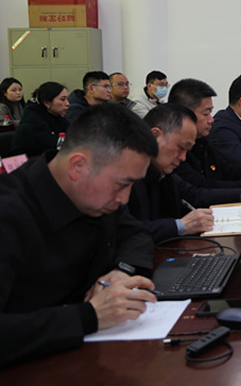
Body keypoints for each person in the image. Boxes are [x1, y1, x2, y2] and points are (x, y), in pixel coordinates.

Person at [0, 104, 159, 365]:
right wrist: (90, 316)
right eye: (122, 184)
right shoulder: (9, 214)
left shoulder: (99, 197)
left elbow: (136, 234)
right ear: (78, 166)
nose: (124, 198)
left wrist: (122, 271)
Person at [128, 103, 241, 245]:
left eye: (187, 151)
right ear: (155, 135)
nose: (183, 158)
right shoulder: (127, 176)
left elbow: (195, 195)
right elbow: (126, 232)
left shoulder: (163, 172)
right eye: (181, 147)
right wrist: (181, 226)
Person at [9, 81, 70, 157]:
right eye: (63, 99)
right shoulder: (32, 121)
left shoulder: (56, 116)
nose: (67, 103)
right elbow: (53, 144)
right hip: (25, 161)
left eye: (67, 99)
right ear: (47, 103)